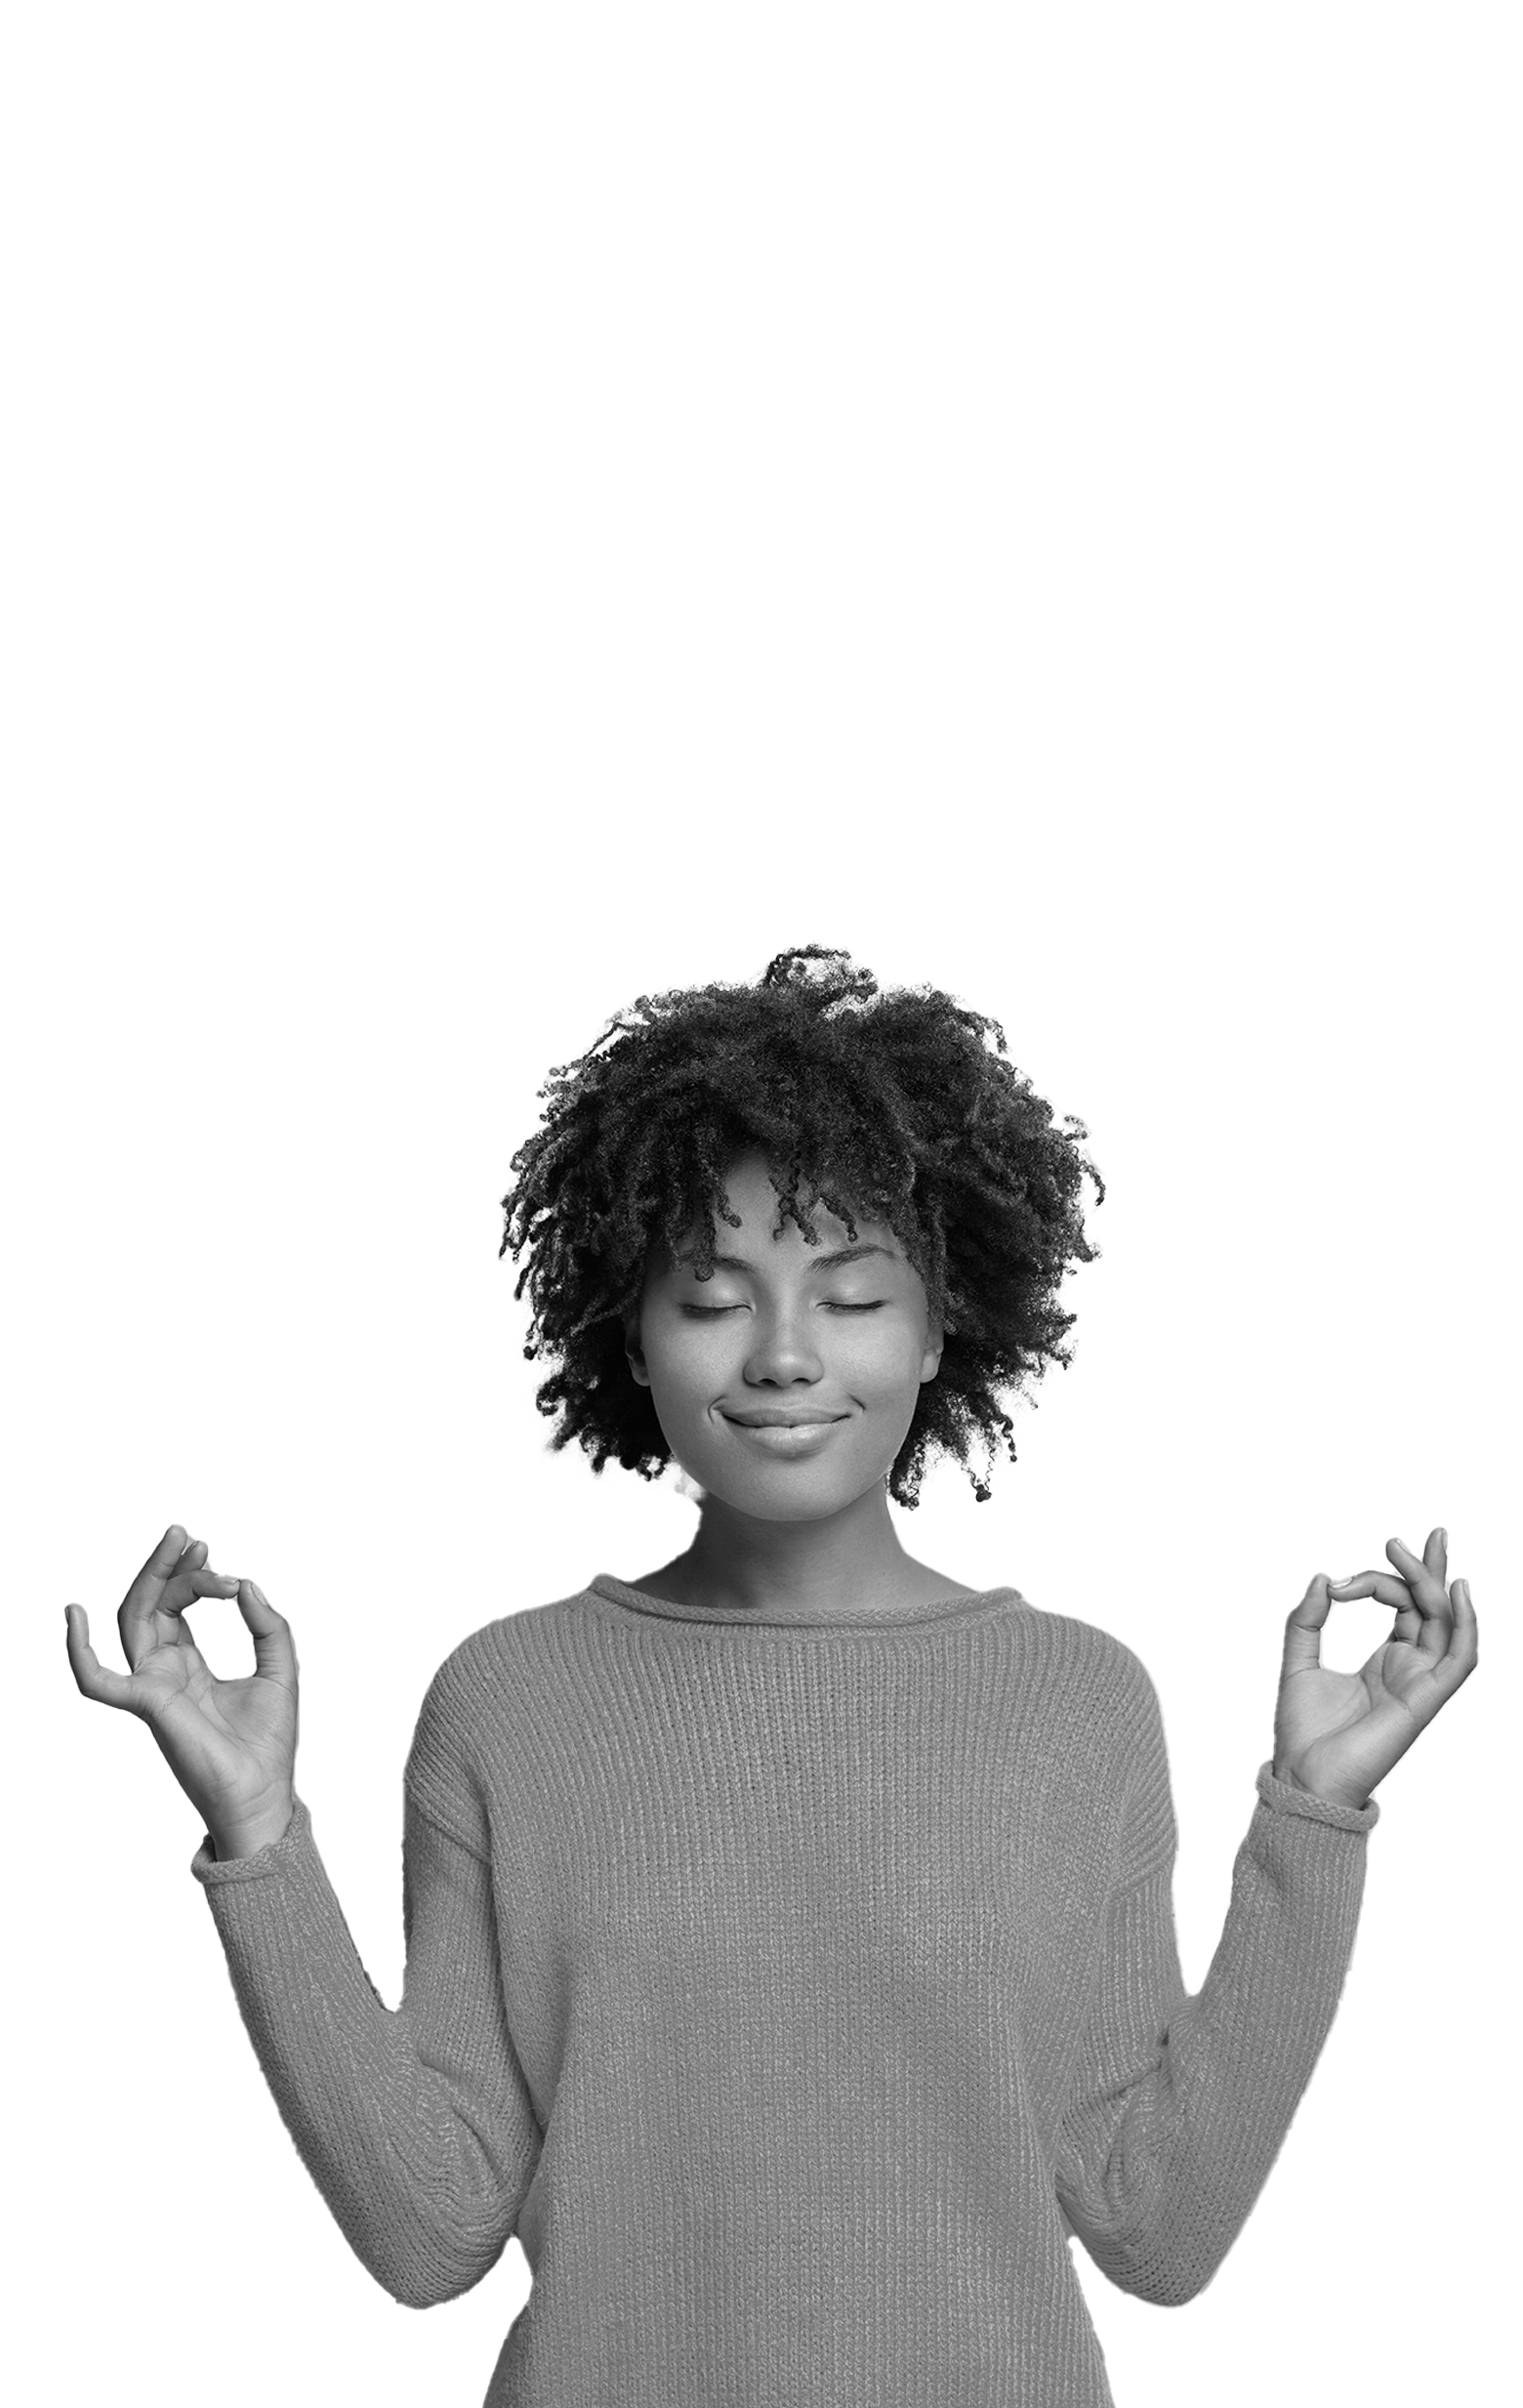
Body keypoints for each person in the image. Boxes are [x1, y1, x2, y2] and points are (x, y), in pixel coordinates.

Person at [65, 942, 1478, 2407]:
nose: (786, 1354)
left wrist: (1314, 1815)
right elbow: (433, 2229)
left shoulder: (1075, 1706)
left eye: (854, 1293)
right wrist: (259, 1839)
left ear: (943, 1324)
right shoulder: (510, 1702)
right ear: (633, 1328)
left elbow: (1156, 2222)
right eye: (713, 1294)